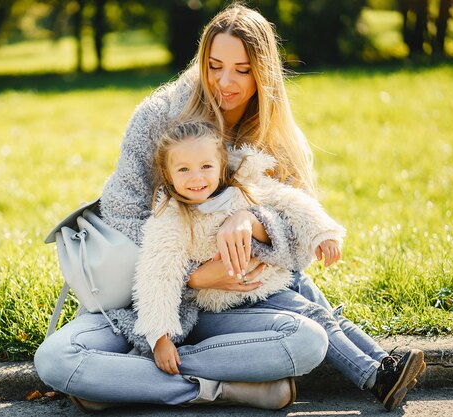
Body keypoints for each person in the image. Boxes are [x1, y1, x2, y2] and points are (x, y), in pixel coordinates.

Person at [35, 2, 425, 412]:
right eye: (215, 65)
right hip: (146, 301)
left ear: (264, 72)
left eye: (242, 70)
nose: (226, 82)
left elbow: (297, 248)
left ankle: (124, 380)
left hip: (238, 307)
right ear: (202, 60)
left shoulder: (275, 140)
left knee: (308, 339)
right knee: (56, 358)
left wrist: (253, 220)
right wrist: (194, 275)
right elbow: (121, 211)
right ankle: (227, 387)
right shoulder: (157, 117)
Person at [131, 120, 346, 366]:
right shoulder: (172, 219)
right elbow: (158, 276)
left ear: (221, 166)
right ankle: (373, 375)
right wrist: (160, 337)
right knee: (317, 316)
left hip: (278, 279)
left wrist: (323, 233)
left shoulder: (243, 188)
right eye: (183, 170)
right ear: (168, 174)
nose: (196, 177)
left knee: (334, 320)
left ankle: (382, 364)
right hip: (241, 297)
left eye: (206, 166)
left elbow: (291, 201)